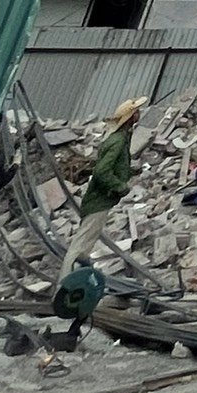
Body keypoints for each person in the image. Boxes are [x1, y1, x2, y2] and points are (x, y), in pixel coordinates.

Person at [57, 96, 146, 280]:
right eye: (136, 112)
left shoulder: (119, 138)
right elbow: (101, 171)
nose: (139, 114)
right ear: (130, 117)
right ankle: (64, 285)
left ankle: (80, 278)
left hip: (100, 198)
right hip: (99, 199)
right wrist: (120, 187)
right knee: (79, 246)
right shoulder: (118, 141)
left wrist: (129, 171)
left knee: (85, 244)